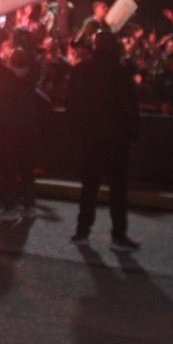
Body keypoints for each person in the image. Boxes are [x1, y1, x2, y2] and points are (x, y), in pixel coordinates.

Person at [67, 30, 141, 251]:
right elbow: (129, 106)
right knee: (118, 188)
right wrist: (133, 133)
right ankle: (118, 235)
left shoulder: (81, 71)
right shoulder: (120, 72)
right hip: (116, 137)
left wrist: (76, 131)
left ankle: (82, 231)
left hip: (90, 136)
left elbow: (72, 105)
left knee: (89, 186)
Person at [0, 48, 42, 220]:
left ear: (10, 61)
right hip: (28, 127)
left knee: (9, 168)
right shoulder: (31, 76)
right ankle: (30, 205)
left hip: (8, 126)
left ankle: (10, 207)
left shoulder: (5, 76)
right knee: (27, 167)